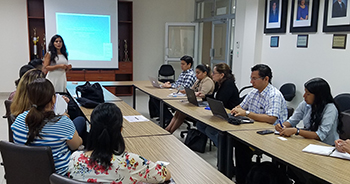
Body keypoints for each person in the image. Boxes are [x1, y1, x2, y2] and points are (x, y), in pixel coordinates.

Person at [68, 103, 171, 183]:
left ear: (91, 128)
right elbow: (165, 175)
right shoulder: (131, 162)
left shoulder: (75, 158)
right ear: (120, 130)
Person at [11, 78, 82, 175]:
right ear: (53, 99)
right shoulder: (63, 122)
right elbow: (76, 145)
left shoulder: (19, 119)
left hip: (26, 174)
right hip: (58, 177)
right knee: (80, 122)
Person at [231, 64, 288, 184]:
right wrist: (236, 109)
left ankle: (245, 178)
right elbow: (241, 106)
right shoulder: (253, 92)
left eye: (254, 79)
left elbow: (271, 118)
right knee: (235, 140)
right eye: (251, 78)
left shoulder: (274, 95)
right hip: (253, 130)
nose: (251, 81)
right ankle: (241, 176)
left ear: (266, 79)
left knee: (241, 146)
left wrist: (246, 113)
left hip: (271, 135)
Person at [10, 68, 86, 140]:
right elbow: (75, 144)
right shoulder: (61, 122)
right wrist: (64, 116)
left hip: (26, 152)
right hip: (57, 147)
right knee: (80, 119)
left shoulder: (18, 118)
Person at [275, 78, 342, 146]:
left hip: (326, 146)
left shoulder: (330, 109)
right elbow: (292, 121)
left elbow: (320, 135)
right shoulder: (305, 104)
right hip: (309, 142)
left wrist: (297, 131)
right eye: (305, 92)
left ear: (318, 96)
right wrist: (282, 125)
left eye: (308, 94)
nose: (304, 96)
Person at [196, 63, 240, 146]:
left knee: (210, 130)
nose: (212, 75)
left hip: (229, 113)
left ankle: (224, 150)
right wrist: (204, 96)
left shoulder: (228, 84)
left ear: (222, 75)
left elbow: (221, 101)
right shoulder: (218, 83)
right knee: (200, 125)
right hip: (220, 111)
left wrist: (209, 101)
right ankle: (219, 143)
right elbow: (214, 97)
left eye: (214, 73)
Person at [165, 64, 214, 133]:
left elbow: (202, 95)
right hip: (195, 102)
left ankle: (170, 131)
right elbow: (191, 90)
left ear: (205, 73)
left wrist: (194, 93)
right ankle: (168, 129)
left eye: (198, 73)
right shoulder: (198, 81)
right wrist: (185, 91)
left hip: (204, 105)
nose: (196, 75)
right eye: (196, 73)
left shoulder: (208, 81)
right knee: (178, 111)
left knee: (182, 112)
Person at [148, 55, 197, 123]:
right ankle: (163, 116)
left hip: (183, 96)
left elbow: (184, 88)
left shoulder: (190, 75)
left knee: (159, 99)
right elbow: (178, 84)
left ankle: (169, 117)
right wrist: (170, 85)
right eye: (181, 64)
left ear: (189, 64)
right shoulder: (183, 73)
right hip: (177, 92)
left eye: (183, 64)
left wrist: (171, 86)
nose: (181, 66)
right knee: (154, 97)